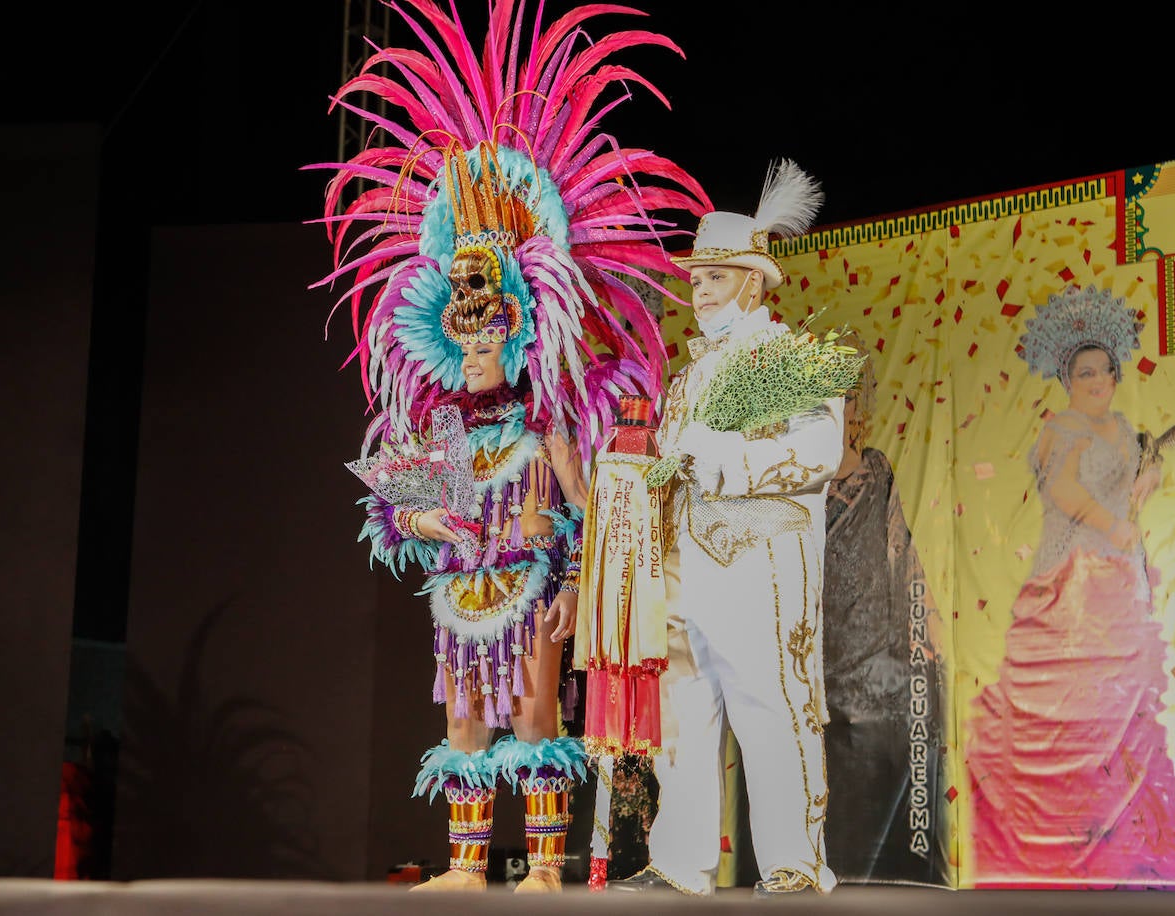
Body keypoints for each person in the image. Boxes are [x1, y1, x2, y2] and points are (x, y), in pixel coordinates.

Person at [310, 0, 710, 894]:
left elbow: (591, 511)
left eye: (490, 332)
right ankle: (462, 865)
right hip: (462, 591)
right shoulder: (448, 422)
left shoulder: (550, 416)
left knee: (532, 720)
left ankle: (544, 867)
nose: (476, 348)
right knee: (462, 726)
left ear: (521, 329)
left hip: (531, 585)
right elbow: (414, 514)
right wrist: (421, 515)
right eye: (465, 335)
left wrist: (571, 581)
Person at [611, 160, 849, 897]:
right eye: (697, 279)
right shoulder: (686, 378)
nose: (702, 290)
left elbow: (820, 452)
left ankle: (794, 863)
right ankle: (682, 863)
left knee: (770, 705)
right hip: (687, 565)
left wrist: (726, 458)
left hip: (759, 563)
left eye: (716, 277)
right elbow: (674, 467)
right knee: (684, 709)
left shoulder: (792, 357)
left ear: (753, 282)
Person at [965, 283, 1175, 888]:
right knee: (1074, 702)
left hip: (1120, 576)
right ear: (1067, 380)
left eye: (1104, 369)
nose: (1098, 380)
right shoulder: (1064, 427)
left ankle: (1125, 837)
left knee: (1126, 702)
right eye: (1085, 372)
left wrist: (1152, 470)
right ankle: (1064, 837)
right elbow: (1063, 490)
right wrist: (1112, 524)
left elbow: (1134, 472)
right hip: (1071, 579)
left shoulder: (1123, 426)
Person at [821, 338, 951, 885]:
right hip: (818, 648)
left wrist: (929, 628)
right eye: (826, 398)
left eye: (847, 397)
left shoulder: (877, 470)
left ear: (859, 408)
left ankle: (895, 876)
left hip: (877, 646)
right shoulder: (795, 477)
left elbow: (903, 551)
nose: (839, 408)